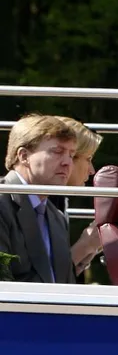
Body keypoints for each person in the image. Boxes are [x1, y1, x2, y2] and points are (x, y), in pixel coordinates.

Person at [0, 115, 76, 283]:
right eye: (57, 152)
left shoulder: (57, 218)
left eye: (71, 155)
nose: (67, 163)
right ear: (24, 156)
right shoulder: (2, 203)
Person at [48, 117, 103, 277]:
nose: (92, 170)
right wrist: (85, 245)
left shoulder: (57, 199)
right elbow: (45, 278)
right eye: (88, 159)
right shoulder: (45, 202)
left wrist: (89, 250)